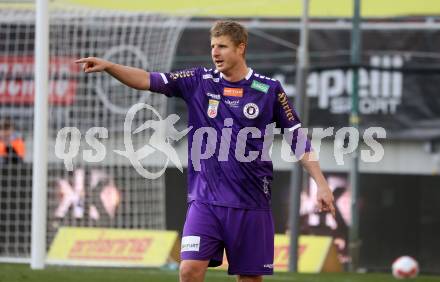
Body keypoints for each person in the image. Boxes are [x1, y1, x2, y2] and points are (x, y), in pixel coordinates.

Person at [76, 20, 335, 282]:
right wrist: (110, 67)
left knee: (250, 279)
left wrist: (321, 184)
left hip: (251, 201)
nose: (215, 52)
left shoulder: (268, 89)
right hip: (205, 201)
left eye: (222, 46)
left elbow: (297, 137)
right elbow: (147, 79)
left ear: (240, 48)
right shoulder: (199, 81)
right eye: (213, 46)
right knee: (189, 270)